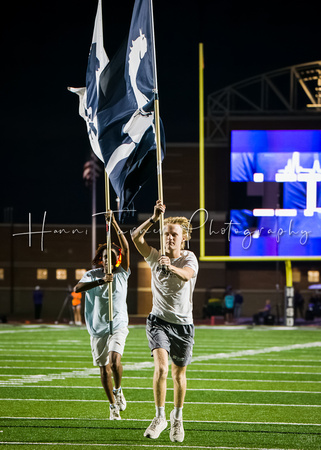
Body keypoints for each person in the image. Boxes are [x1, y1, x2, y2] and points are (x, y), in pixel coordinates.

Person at [131, 200, 199, 442]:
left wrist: (170, 267)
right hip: (158, 321)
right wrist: (153, 217)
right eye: (166, 234)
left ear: (184, 238)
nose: (169, 238)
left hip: (183, 325)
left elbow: (186, 276)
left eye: (174, 235)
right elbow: (135, 237)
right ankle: (159, 416)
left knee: (178, 375)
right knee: (160, 368)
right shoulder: (154, 256)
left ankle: (177, 419)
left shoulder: (189, 258)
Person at [74, 211, 130, 420]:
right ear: (101, 258)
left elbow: (125, 247)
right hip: (98, 328)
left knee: (115, 362)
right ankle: (112, 405)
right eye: (106, 256)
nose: (109, 259)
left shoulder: (123, 272)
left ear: (117, 259)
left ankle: (119, 389)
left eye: (112, 257)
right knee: (103, 369)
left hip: (118, 324)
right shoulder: (92, 275)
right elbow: (77, 287)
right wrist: (100, 282)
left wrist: (114, 223)